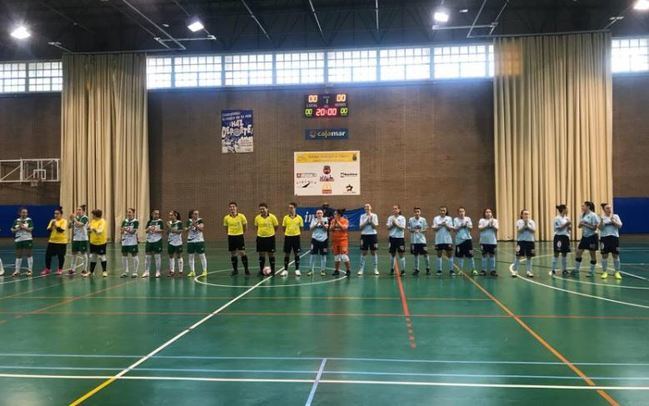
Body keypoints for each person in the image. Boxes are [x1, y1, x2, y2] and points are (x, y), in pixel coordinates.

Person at [574, 201, 600, 277]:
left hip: (592, 236)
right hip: (584, 236)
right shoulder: (582, 215)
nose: (582, 207)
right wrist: (580, 224)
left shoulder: (593, 215)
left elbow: (594, 228)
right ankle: (576, 269)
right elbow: (579, 226)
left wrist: (585, 224)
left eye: (583, 206)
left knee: (592, 254)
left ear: (588, 207)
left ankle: (591, 271)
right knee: (578, 252)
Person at [224, 202, 250, 276]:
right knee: (233, 254)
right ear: (229, 208)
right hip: (231, 236)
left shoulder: (241, 216)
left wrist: (242, 232)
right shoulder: (226, 218)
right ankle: (235, 270)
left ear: (236, 207)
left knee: (242, 253)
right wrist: (230, 233)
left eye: (233, 206)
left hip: (239, 236)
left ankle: (246, 269)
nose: (232, 208)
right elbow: (226, 228)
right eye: (230, 207)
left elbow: (245, 226)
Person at [41, 206, 68, 276]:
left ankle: (60, 269)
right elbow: (48, 230)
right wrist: (51, 226)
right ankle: (47, 269)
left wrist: (55, 225)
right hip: (52, 241)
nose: (55, 215)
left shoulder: (64, 221)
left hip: (61, 242)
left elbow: (61, 230)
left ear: (61, 214)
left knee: (60, 256)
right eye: (55, 214)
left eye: (57, 214)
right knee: (48, 255)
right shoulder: (52, 221)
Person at [599, 203, 623, 280]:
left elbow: (620, 226)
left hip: (614, 238)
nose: (609, 209)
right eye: (607, 208)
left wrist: (613, 222)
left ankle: (617, 272)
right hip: (604, 238)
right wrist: (602, 222)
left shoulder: (615, 216)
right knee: (604, 255)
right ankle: (604, 272)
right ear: (604, 209)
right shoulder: (601, 217)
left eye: (610, 208)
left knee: (615, 255)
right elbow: (600, 228)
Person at [254, 203, 279, 276]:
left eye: (263, 209)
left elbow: (276, 226)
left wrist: (270, 233)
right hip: (260, 238)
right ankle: (261, 270)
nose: (262, 210)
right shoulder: (257, 218)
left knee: (270, 254)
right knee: (261, 254)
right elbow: (256, 227)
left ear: (267, 209)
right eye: (260, 209)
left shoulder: (272, 217)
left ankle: (273, 271)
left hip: (270, 238)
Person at [511, 209, 536, 278]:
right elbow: (519, 231)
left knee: (529, 257)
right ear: (522, 215)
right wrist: (524, 226)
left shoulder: (532, 222)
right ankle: (515, 271)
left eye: (527, 214)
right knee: (518, 256)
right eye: (525, 214)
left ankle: (529, 271)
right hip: (521, 241)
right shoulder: (519, 222)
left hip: (530, 241)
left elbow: (533, 230)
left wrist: (527, 226)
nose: (526, 215)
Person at [10, 207, 34, 277]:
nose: (25, 214)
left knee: (29, 254)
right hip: (18, 239)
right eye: (23, 212)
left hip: (27, 239)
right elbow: (12, 230)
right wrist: (18, 228)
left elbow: (31, 229)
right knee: (18, 255)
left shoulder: (29, 220)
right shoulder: (16, 221)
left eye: (26, 212)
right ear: (19, 213)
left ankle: (30, 270)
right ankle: (17, 271)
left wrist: (23, 227)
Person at [282, 202, 304, 277]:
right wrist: (288, 233)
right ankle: (285, 270)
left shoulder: (299, 218)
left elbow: (301, 228)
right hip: (288, 237)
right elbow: (283, 228)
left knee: (297, 253)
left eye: (291, 208)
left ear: (295, 208)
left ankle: (297, 270)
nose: (290, 209)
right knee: (287, 253)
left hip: (296, 237)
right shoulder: (285, 217)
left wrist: (296, 233)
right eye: (289, 208)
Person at [453, 207, 477, 276]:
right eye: (460, 211)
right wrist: (461, 226)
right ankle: (460, 270)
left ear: (465, 212)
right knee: (460, 256)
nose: (462, 213)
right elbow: (454, 230)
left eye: (463, 211)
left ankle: (473, 269)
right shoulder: (455, 219)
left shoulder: (468, 219)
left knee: (470, 256)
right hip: (459, 241)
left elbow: (471, 228)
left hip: (468, 240)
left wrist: (466, 225)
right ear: (458, 213)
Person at [358, 203, 379, 276]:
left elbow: (375, 227)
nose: (367, 208)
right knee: (364, 252)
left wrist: (371, 221)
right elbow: (360, 227)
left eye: (368, 207)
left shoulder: (374, 215)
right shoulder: (362, 216)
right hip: (364, 235)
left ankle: (375, 269)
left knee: (373, 252)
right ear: (364, 209)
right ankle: (361, 269)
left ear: (371, 208)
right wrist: (366, 222)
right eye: (365, 207)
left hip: (373, 235)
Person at [432, 206, 454, 276]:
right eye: (441, 210)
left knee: (450, 255)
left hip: (447, 240)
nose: (442, 212)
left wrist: (446, 225)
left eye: (444, 210)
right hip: (439, 240)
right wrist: (441, 225)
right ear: (439, 211)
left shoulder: (449, 218)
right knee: (439, 254)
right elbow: (434, 229)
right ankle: (439, 270)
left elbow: (450, 229)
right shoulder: (436, 218)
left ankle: (451, 270)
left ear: (446, 211)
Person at [408, 207, 430, 275]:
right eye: (415, 212)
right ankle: (417, 269)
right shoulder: (411, 219)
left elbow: (426, 228)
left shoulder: (423, 219)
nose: (417, 213)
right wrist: (414, 230)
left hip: (422, 240)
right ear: (414, 212)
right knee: (415, 255)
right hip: (414, 241)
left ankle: (428, 268)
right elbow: (409, 229)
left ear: (420, 212)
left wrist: (421, 230)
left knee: (425, 254)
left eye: (418, 211)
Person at [551, 204, 571, 276]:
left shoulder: (567, 218)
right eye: (567, 208)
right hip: (559, 237)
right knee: (556, 253)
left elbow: (569, 228)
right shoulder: (557, 218)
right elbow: (557, 228)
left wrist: (569, 226)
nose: (567, 210)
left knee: (564, 254)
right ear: (563, 209)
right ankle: (553, 269)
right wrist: (566, 224)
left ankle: (564, 269)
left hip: (566, 237)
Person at [186, 209, 208, 278]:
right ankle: (192, 271)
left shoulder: (200, 220)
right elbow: (185, 230)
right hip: (190, 241)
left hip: (199, 240)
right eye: (195, 214)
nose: (197, 215)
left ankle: (204, 271)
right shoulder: (188, 221)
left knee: (202, 256)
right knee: (191, 256)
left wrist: (195, 225)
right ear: (192, 215)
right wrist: (190, 226)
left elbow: (201, 229)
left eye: (197, 214)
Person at [69, 205, 89, 276]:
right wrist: (70, 220)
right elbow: (69, 227)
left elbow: (80, 224)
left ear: (83, 211)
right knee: (74, 253)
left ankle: (85, 269)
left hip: (83, 239)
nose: (78, 211)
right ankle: (72, 269)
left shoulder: (85, 218)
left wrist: (73, 219)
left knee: (83, 253)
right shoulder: (76, 218)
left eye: (79, 209)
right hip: (75, 238)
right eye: (77, 209)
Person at [386, 205, 407, 276]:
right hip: (392, 238)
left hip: (400, 238)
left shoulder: (402, 218)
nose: (394, 210)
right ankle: (392, 269)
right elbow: (388, 228)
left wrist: (396, 224)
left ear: (399, 210)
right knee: (392, 254)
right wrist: (392, 224)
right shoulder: (390, 218)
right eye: (393, 209)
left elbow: (403, 228)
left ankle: (403, 270)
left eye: (396, 209)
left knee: (401, 254)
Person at [308, 209, 329, 276]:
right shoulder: (313, 220)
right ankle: (311, 270)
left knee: (323, 256)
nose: (319, 214)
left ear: (322, 214)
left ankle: (322, 270)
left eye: (320, 213)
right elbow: (311, 229)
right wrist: (317, 223)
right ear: (316, 214)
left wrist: (322, 223)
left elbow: (326, 229)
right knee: (313, 255)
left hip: (324, 240)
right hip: (315, 240)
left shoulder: (325, 220)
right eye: (318, 213)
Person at [478, 208, 499, 276]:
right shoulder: (482, 220)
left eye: (489, 212)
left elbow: (496, 229)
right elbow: (480, 229)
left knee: (492, 255)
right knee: (484, 255)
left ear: (491, 213)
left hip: (492, 241)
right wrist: (487, 225)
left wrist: (492, 225)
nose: (488, 213)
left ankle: (492, 270)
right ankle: (483, 270)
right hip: (483, 241)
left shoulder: (495, 220)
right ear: (484, 213)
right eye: (486, 212)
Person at [144, 209, 164, 278]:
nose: (157, 215)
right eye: (155, 214)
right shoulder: (149, 221)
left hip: (157, 240)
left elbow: (162, 230)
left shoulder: (160, 221)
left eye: (158, 214)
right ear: (152, 214)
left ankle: (158, 272)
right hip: (149, 240)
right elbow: (145, 230)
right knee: (147, 256)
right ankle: (146, 271)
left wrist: (156, 230)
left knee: (157, 256)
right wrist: (148, 229)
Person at [330, 209, 350, 277]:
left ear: (339, 214)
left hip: (343, 240)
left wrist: (337, 222)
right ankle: (336, 270)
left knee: (344, 256)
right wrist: (334, 223)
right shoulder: (333, 221)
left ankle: (348, 270)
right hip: (335, 241)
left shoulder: (345, 220)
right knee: (336, 257)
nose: (334, 215)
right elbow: (330, 229)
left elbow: (344, 228)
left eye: (335, 214)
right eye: (334, 214)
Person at [120, 208, 140, 278]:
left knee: (134, 255)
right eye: (127, 212)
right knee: (124, 255)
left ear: (133, 213)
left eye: (130, 212)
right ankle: (125, 271)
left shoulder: (135, 221)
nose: (128, 214)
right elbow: (121, 231)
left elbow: (133, 232)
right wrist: (121, 234)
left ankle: (135, 272)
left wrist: (125, 229)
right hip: (125, 241)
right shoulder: (124, 221)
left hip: (132, 241)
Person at [88, 209, 108, 277]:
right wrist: (89, 229)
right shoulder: (93, 221)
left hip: (101, 242)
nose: (92, 216)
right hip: (93, 242)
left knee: (102, 257)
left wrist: (93, 228)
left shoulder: (102, 221)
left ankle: (104, 271)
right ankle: (91, 272)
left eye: (93, 214)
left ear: (96, 215)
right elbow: (90, 229)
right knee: (93, 257)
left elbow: (99, 231)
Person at [167, 210, 184, 277]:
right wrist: (168, 229)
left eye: (171, 215)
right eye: (169, 215)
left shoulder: (179, 223)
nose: (170, 216)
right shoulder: (169, 223)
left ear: (175, 215)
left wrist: (170, 227)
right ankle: (172, 271)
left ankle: (180, 272)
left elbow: (179, 232)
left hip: (178, 242)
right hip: (171, 241)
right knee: (171, 256)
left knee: (179, 256)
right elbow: (168, 233)